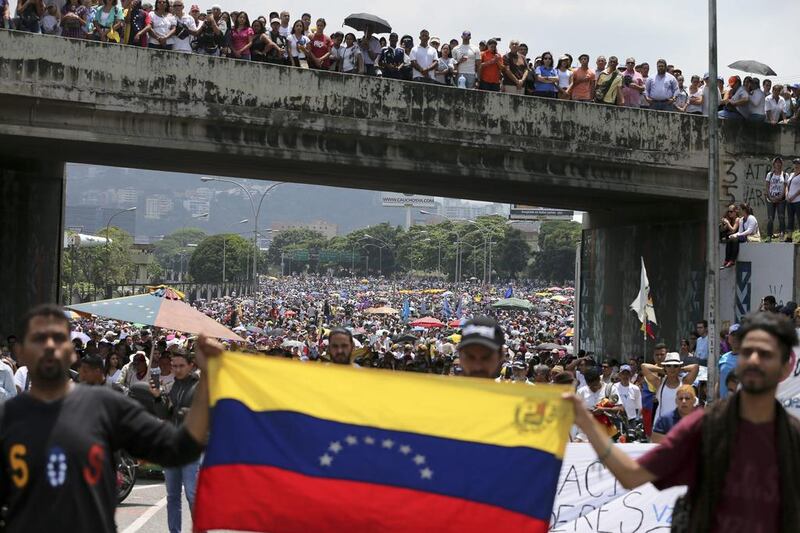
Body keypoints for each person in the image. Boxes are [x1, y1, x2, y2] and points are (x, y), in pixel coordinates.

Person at [566, 311, 800, 532]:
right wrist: (587, 423)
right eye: (748, 352)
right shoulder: (705, 427)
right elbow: (631, 475)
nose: (754, 360)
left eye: (766, 353)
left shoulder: (793, 437)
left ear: (786, 366)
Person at [0, 304, 214, 533]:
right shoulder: (7, 420)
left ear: (71, 352)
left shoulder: (107, 406)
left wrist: (208, 375)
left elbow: (180, 448)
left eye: (58, 338)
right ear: (20, 352)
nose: (49, 346)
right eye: (39, 339)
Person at [152, 349, 200, 533]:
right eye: (174, 366)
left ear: (191, 365)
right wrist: (157, 397)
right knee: (172, 496)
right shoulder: (174, 386)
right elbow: (165, 415)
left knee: (191, 494)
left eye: (181, 366)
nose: (177, 369)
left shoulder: (199, 386)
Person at [641, 351, 699, 423]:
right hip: (661, 426)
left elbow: (695, 367)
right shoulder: (659, 383)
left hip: (678, 426)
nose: (672, 368)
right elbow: (644, 366)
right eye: (669, 365)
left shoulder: (684, 382)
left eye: (675, 365)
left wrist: (681, 369)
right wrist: (662, 370)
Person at [765, 156, 787, 241]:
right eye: (776, 162)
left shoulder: (785, 175)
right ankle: (769, 236)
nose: (778, 164)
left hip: (781, 200)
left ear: (781, 164)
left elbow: (785, 188)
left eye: (779, 162)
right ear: (773, 164)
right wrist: (770, 197)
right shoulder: (769, 175)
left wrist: (780, 197)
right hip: (770, 200)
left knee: (781, 217)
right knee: (770, 218)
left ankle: (782, 234)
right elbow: (767, 187)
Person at [718, 323, 741, 400]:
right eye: (733, 335)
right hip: (723, 405)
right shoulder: (723, 358)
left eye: (739, 335)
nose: (735, 338)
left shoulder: (747, 359)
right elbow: (719, 381)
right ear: (728, 338)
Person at [786, 157, 800, 242]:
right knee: (790, 219)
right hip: (789, 201)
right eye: (795, 164)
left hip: (798, 200)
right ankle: (789, 237)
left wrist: (793, 196)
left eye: (798, 164)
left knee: (799, 218)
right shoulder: (791, 175)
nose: (796, 165)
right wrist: (787, 194)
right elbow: (787, 186)